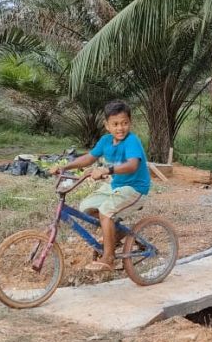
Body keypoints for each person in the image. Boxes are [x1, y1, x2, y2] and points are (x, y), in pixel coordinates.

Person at [49, 100, 152, 272]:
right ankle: (115, 232)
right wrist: (64, 167)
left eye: (125, 123)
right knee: (86, 207)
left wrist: (107, 169)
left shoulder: (132, 141)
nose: (120, 128)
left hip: (135, 188)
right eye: (116, 124)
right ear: (107, 125)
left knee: (105, 211)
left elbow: (132, 165)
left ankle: (109, 257)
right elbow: (89, 158)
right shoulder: (105, 141)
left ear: (130, 123)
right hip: (116, 185)